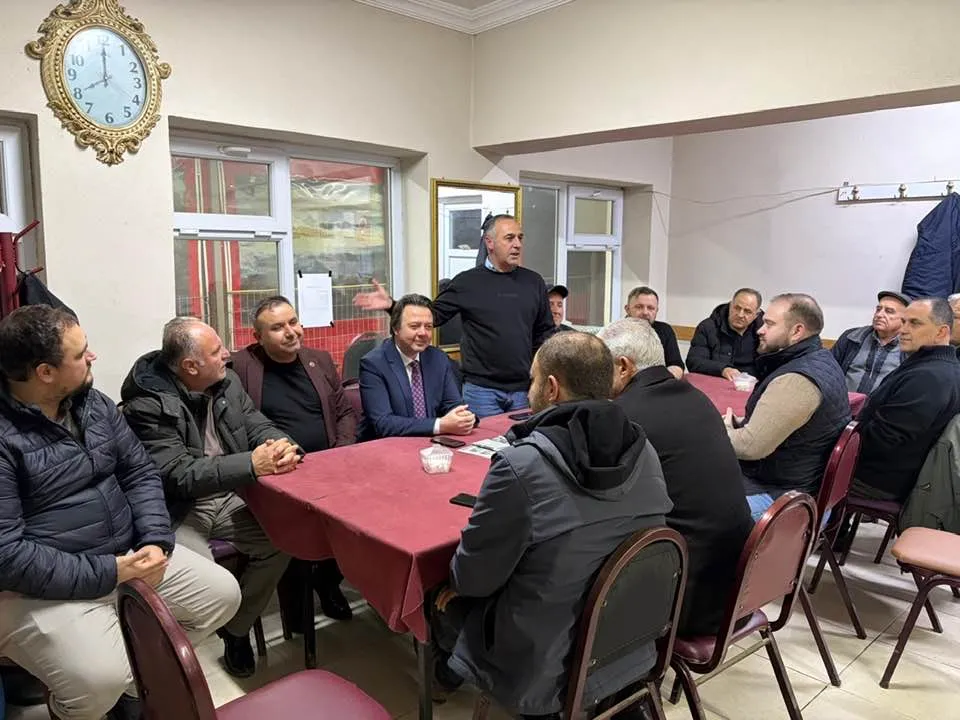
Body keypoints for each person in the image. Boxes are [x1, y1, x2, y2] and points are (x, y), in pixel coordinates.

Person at [0, 306, 241, 720]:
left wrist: (155, 540)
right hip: (42, 587)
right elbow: (7, 554)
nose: (92, 357)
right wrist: (110, 572)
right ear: (45, 372)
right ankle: (81, 706)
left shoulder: (93, 404)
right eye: (81, 353)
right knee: (99, 681)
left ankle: (132, 690)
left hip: (127, 554)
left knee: (221, 596)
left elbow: (139, 472)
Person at [430, 332, 672, 719]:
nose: (529, 389)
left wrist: (457, 583)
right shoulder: (645, 450)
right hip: (627, 640)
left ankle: (444, 679)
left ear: (552, 388)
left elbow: (473, 579)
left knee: (439, 596)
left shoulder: (522, 466)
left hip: (543, 664)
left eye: (533, 379)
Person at [120, 317, 297, 678]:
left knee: (283, 540)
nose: (227, 355)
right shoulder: (147, 405)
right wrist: (251, 464)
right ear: (190, 366)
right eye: (216, 351)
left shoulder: (226, 382)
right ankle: (166, 667)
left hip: (230, 493)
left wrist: (281, 444)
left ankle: (236, 630)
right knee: (206, 586)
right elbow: (178, 474)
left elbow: (255, 423)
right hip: (179, 509)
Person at [598, 318, 753, 636]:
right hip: (739, 587)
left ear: (623, 367)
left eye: (601, 368)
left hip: (685, 599)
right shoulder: (697, 398)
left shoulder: (626, 416)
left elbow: (597, 499)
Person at [230, 296, 355, 622]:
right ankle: (296, 603)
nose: (290, 332)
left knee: (350, 523)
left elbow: (344, 412)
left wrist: (341, 452)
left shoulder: (319, 360)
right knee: (292, 533)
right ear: (258, 337)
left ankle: (328, 584)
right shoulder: (241, 367)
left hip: (329, 465)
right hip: (279, 474)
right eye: (277, 327)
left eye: (293, 322)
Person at [354, 214, 555, 418]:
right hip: (481, 391)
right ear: (489, 242)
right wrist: (392, 305)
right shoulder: (467, 282)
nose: (517, 244)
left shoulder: (533, 282)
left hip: (523, 389)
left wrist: (540, 378)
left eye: (520, 238)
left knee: (523, 438)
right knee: (481, 440)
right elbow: (433, 316)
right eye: (509, 238)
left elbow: (545, 332)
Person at [724, 294, 850, 520]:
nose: (760, 330)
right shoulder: (821, 360)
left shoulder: (797, 379)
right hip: (797, 485)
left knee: (684, 502)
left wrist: (720, 431)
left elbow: (750, 447)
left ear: (797, 331)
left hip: (785, 500)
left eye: (769, 324)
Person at [852, 298, 960, 502]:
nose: (903, 330)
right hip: (886, 473)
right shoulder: (934, 366)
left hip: (877, 480)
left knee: (802, 467)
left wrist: (841, 439)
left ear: (941, 332)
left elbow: (885, 439)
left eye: (915, 323)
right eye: (903, 322)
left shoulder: (929, 377)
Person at [358, 293, 474, 440]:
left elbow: (453, 405)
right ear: (396, 328)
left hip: (431, 444)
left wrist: (463, 417)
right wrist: (440, 425)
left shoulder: (438, 358)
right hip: (388, 445)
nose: (423, 333)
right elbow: (383, 423)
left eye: (428, 327)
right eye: (414, 326)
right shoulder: (374, 364)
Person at [831, 290, 908, 394]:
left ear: (905, 319)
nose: (879, 314)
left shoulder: (910, 348)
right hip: (843, 401)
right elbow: (828, 370)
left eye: (889, 311)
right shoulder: (851, 337)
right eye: (878, 309)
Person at [686, 288, 763, 379]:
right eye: (737, 308)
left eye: (747, 311)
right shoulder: (708, 327)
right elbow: (694, 361)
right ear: (730, 305)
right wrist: (722, 369)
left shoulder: (763, 332)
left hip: (751, 383)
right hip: (716, 381)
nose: (740, 315)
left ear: (756, 315)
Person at [624, 286, 683, 378]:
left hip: (658, 382)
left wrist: (665, 381)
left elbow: (676, 365)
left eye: (651, 308)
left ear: (656, 311)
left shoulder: (665, 330)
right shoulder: (614, 332)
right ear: (627, 309)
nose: (645, 312)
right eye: (639, 307)